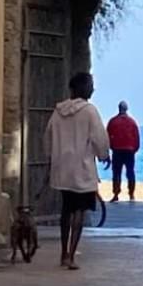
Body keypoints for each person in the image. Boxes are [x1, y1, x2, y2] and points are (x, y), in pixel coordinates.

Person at [45, 71, 110, 270]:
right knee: (80, 212)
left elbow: (48, 137)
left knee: (66, 209)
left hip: (63, 168)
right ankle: (71, 256)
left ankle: (63, 252)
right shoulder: (90, 111)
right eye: (90, 85)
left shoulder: (58, 112)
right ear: (82, 88)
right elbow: (99, 137)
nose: (93, 89)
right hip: (82, 169)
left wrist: (51, 158)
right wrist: (104, 155)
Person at [106, 100, 141, 202]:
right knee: (130, 172)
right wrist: (135, 149)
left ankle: (116, 194)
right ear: (126, 109)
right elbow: (137, 138)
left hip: (117, 150)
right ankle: (131, 194)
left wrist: (110, 147)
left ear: (119, 108)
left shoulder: (113, 121)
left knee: (116, 172)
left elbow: (107, 136)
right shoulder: (132, 122)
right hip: (129, 151)